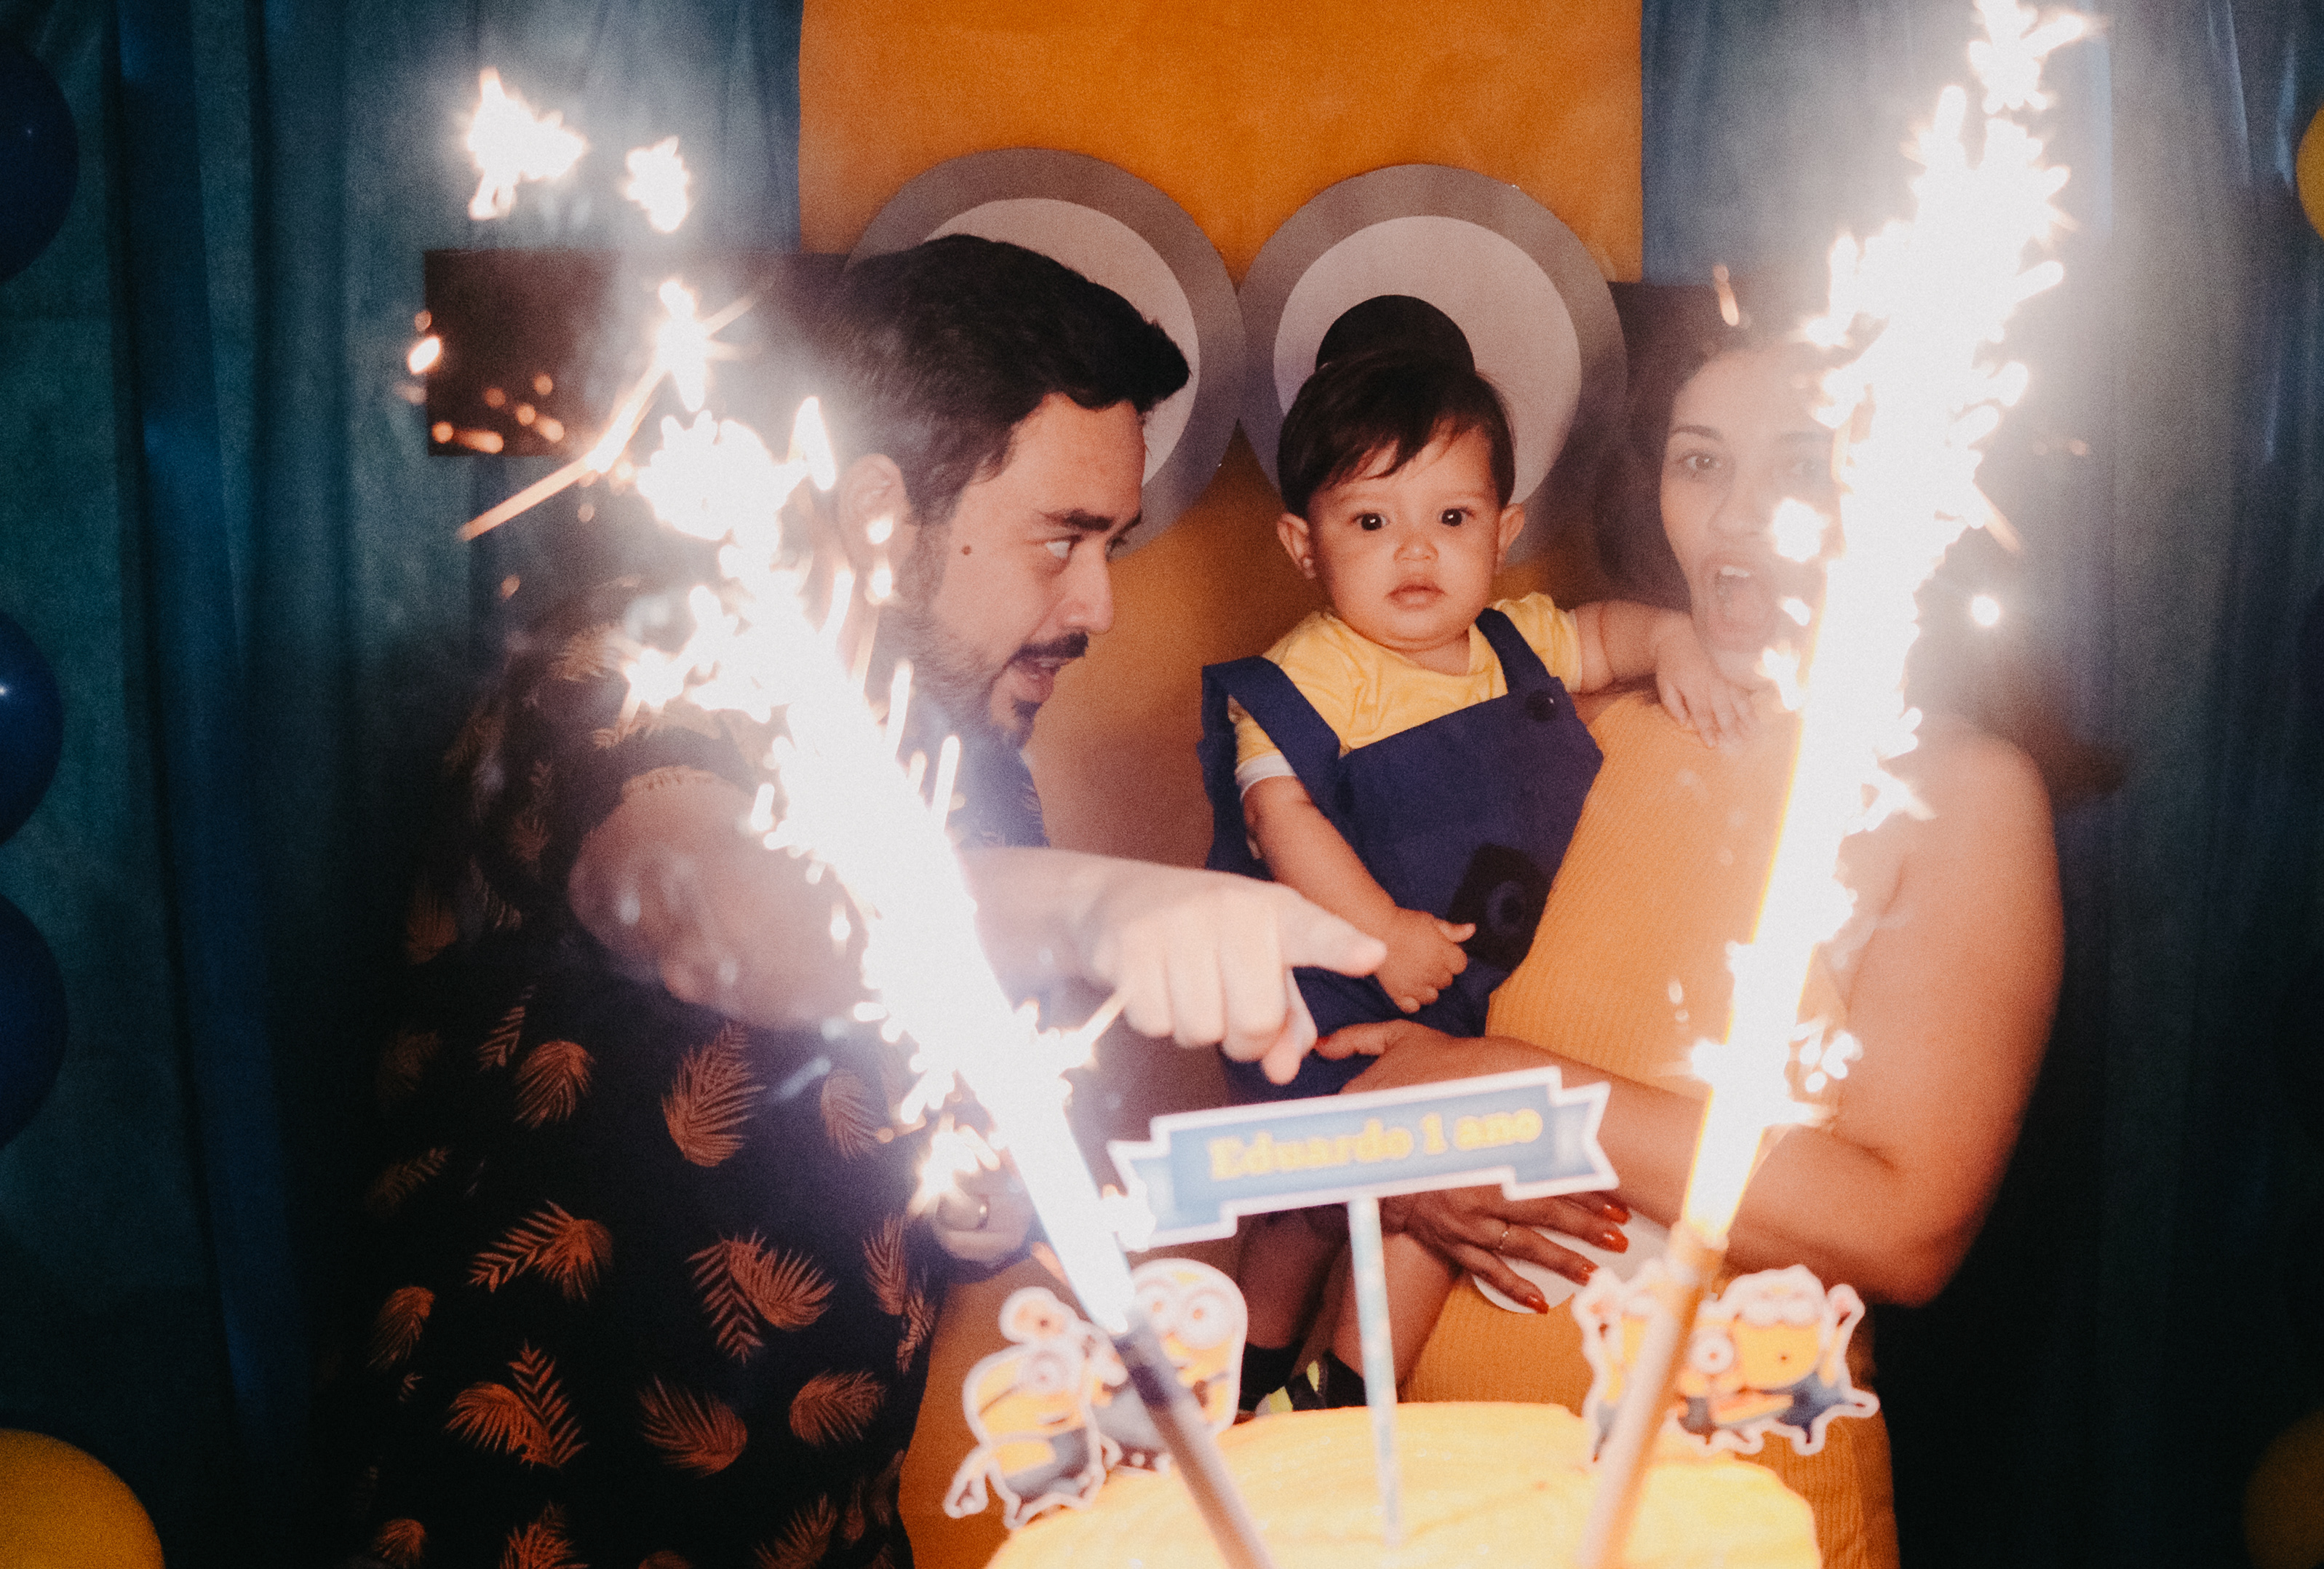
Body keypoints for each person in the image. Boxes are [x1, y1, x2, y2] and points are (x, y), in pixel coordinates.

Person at [338, 235, 1382, 1569]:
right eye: (1061, 540)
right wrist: (1095, 907)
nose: (1099, 602)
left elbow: (957, 1126)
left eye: (1110, 544)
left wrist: (988, 1195)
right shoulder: (633, 672)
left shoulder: (968, 766)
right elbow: (719, 913)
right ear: (882, 514)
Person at [1312, 306, 2064, 1569]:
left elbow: (1904, 1228)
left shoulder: (1957, 793)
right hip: (1419, 1503)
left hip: (1727, 1517)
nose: (1735, 513)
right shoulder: (1570, 727)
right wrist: (1405, 1159)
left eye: (1803, 465)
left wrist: (1514, 1099)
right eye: (1700, 458)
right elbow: (1371, 1041)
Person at [1194, 325, 1748, 1412]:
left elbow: (1607, 634)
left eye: (1451, 519)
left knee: (1442, 1202)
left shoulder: (1516, 642)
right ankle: (1239, 1368)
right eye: (1371, 522)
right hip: (1339, 987)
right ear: (1304, 545)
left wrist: (1675, 641)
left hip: (1471, 996)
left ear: (1506, 529)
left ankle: (1350, 1387)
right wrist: (1378, 935)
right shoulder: (1314, 671)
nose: (1416, 553)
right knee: (1305, 1208)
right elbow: (1280, 817)